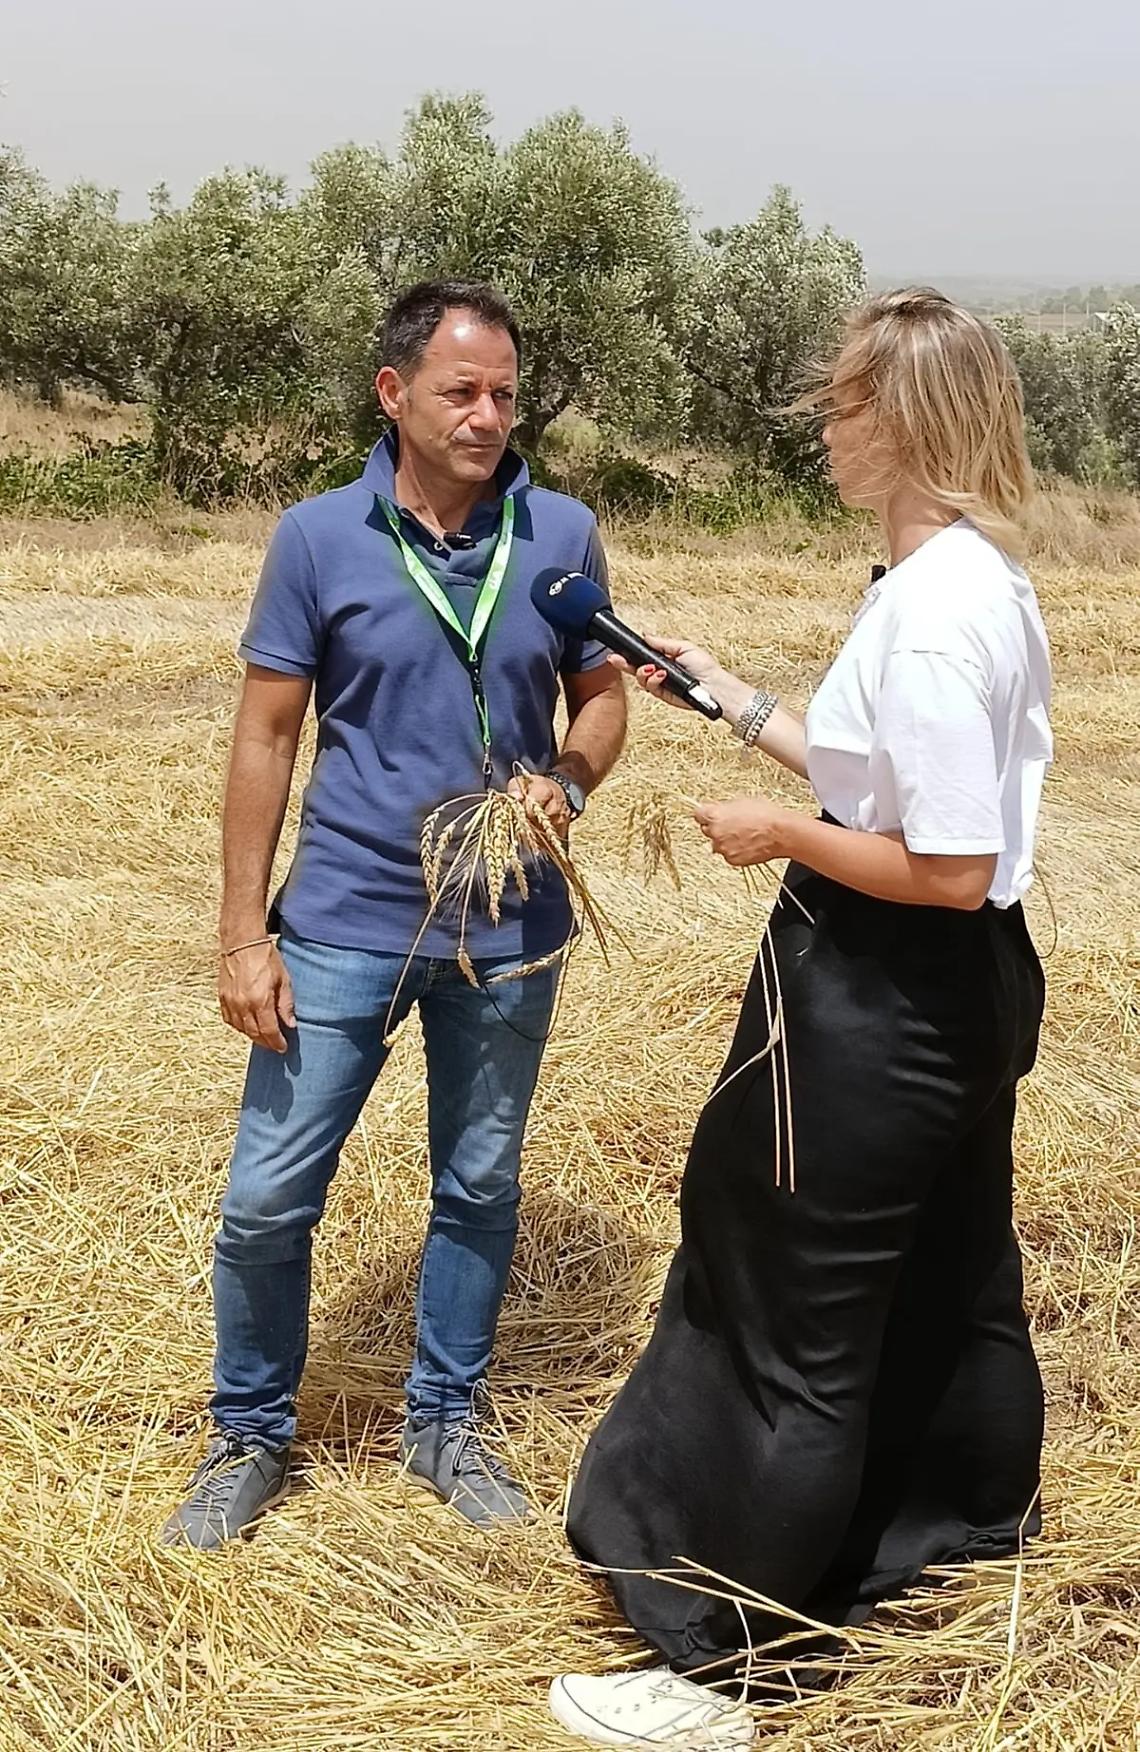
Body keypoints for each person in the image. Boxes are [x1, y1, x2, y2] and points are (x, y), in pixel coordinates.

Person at [549, 289, 1052, 1748]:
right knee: (955, 1268)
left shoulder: (941, 620)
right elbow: (888, 781)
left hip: (886, 990)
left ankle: (730, 1668)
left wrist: (779, 833)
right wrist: (733, 699)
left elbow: (945, 868)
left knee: (791, 1319)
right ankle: (958, 1522)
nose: (822, 430)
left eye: (839, 406)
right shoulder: (961, 579)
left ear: (905, 419)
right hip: (954, 995)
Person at [162, 280, 627, 1550]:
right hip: (343, 924)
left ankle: (444, 1421)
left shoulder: (564, 534)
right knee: (268, 1199)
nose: (488, 416)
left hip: (512, 932)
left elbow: (603, 702)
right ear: (394, 395)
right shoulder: (317, 537)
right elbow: (265, 736)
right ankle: (250, 1434)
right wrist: (242, 933)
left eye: (505, 395)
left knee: (479, 1186)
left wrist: (567, 783)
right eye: (461, 391)